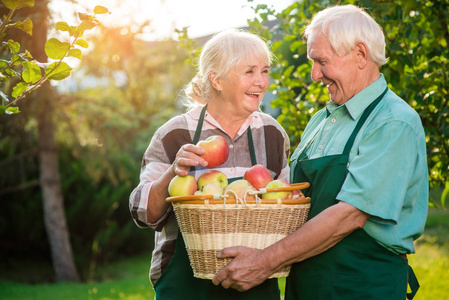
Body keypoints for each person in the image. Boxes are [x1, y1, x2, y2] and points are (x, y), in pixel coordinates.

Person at [212, 5, 429, 300]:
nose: (315, 75)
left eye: (321, 61)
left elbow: (349, 216)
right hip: (306, 283)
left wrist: (264, 261)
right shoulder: (321, 120)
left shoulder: (392, 122)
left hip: (360, 285)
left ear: (361, 55)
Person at [129, 28, 290, 300]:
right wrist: (173, 172)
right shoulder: (175, 134)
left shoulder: (272, 134)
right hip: (187, 287)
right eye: (249, 72)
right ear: (216, 79)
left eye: (264, 71)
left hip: (255, 283)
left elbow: (284, 209)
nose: (261, 82)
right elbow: (143, 213)